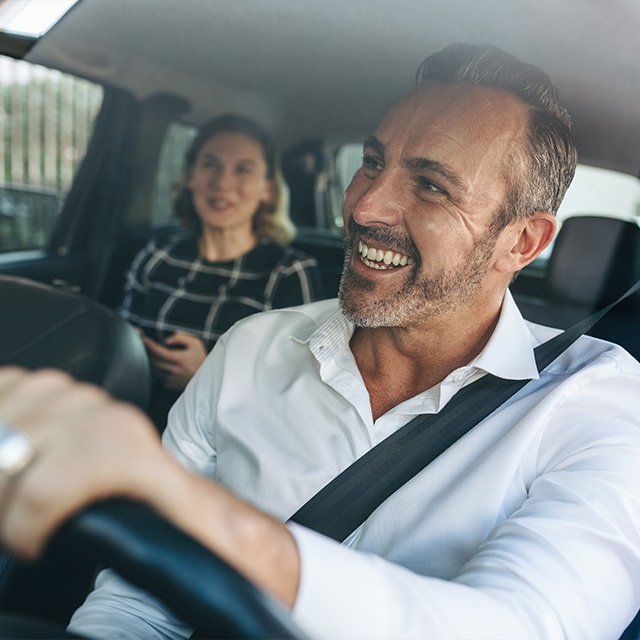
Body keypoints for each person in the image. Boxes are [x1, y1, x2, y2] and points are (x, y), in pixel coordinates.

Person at [0, 43, 640, 640]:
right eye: (371, 162)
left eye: (431, 185)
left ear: (523, 242)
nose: (364, 207)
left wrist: (193, 516)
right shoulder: (251, 350)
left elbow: (524, 626)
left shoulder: (595, 405)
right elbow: (135, 600)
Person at [119, 114, 325, 429]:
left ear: (267, 189)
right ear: (190, 178)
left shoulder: (288, 273)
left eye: (243, 169)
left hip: (218, 440)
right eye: (210, 165)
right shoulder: (158, 254)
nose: (222, 182)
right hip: (131, 420)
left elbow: (295, 395)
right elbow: (122, 330)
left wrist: (205, 377)